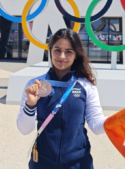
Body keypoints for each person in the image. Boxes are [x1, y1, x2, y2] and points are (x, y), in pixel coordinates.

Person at [17, 28, 107, 169]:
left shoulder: (85, 86)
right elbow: (24, 129)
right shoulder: (35, 85)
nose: (62, 56)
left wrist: (119, 120)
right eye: (57, 50)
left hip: (79, 162)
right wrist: (30, 104)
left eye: (69, 52)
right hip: (42, 162)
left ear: (76, 55)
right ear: (50, 50)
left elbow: (96, 125)